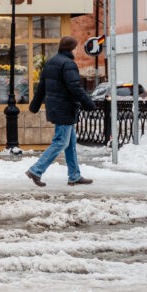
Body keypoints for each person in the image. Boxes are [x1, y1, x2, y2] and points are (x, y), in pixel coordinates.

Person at [26, 36, 97, 187]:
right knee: (60, 142)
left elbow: (41, 87)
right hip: (64, 108)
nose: (77, 49)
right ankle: (36, 170)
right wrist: (89, 103)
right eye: (76, 47)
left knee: (70, 144)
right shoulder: (68, 64)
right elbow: (75, 87)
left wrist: (34, 106)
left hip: (56, 107)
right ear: (71, 48)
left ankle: (74, 176)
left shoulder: (51, 62)